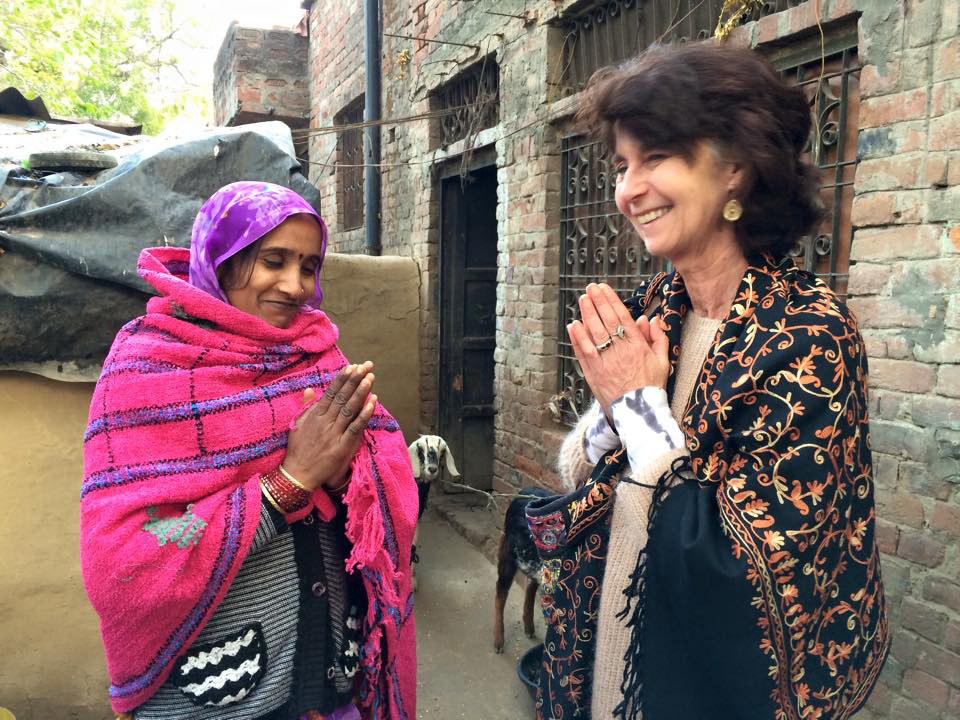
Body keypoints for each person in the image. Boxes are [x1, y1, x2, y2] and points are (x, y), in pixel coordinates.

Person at [525, 43, 889, 720]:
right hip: (610, 650)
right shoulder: (655, 307)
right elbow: (585, 472)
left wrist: (638, 409)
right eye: (622, 165)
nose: (628, 190)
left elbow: (747, 578)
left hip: (697, 685)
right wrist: (613, 416)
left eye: (656, 158)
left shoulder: (809, 335)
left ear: (736, 168)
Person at [81, 182, 418, 720]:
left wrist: (343, 473)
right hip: (221, 693)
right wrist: (290, 481)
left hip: (331, 679)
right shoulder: (147, 370)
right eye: (274, 261)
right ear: (221, 262)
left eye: (309, 266)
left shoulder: (317, 355)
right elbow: (120, 565)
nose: (295, 286)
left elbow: (382, 480)